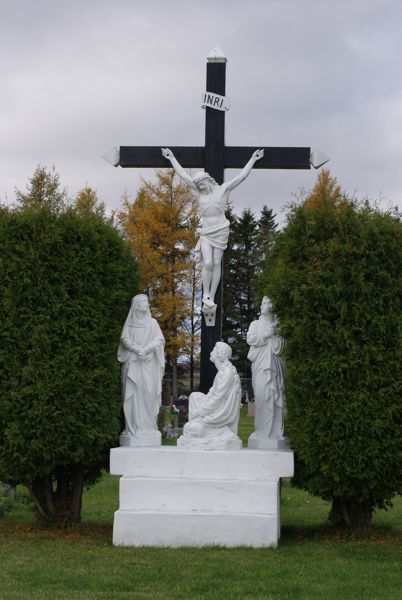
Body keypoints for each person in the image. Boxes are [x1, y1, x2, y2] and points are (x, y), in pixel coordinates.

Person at [161, 147, 264, 309]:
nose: (200, 187)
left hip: (221, 229)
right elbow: (183, 176)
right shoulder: (199, 193)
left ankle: (211, 295)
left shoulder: (223, 189)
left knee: (216, 263)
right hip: (206, 232)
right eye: (198, 185)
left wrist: (253, 159)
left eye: (201, 184)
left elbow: (241, 177)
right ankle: (206, 294)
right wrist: (171, 157)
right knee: (207, 262)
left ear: (207, 181)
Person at [117, 294, 165, 446]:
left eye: (147, 301)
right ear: (136, 305)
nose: (147, 304)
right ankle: (133, 429)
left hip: (148, 364)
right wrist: (137, 349)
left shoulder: (153, 323)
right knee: (132, 395)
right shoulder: (130, 324)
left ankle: (149, 427)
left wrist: (146, 349)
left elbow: (159, 340)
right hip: (133, 363)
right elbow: (124, 339)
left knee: (148, 394)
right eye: (143, 301)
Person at [177, 341, 242, 449]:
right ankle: (196, 423)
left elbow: (218, 398)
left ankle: (198, 425)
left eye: (214, 350)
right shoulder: (221, 371)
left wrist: (200, 411)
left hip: (220, 411)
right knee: (194, 396)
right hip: (216, 405)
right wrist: (202, 404)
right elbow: (212, 393)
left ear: (219, 354)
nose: (211, 352)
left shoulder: (227, 373)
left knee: (192, 427)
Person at [247, 297, 286, 444]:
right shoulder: (255, 324)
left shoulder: (279, 325)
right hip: (260, 365)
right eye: (262, 303)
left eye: (266, 303)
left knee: (276, 396)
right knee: (262, 396)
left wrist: (274, 334)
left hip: (275, 365)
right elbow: (250, 339)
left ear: (272, 306)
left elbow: (281, 347)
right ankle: (261, 431)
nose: (262, 306)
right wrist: (265, 335)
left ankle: (276, 432)